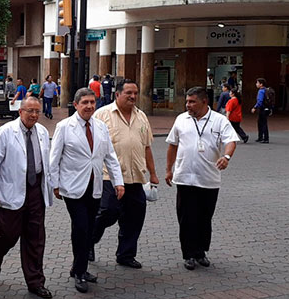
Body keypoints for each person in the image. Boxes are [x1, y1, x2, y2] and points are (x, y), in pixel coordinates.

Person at [49, 88, 124, 293]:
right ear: (76, 105)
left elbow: (110, 156)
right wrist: (54, 184)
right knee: (81, 228)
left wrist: (119, 182)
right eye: (85, 103)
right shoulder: (64, 127)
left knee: (89, 228)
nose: (90, 106)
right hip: (72, 187)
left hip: (95, 186)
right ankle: (80, 271)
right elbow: (54, 159)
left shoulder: (100, 127)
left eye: (92, 102)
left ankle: (77, 266)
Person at [0, 96, 53, 299]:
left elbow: (47, 164)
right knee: (7, 234)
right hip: (12, 190)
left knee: (35, 238)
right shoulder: (6, 131)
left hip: (35, 192)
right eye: (30, 111)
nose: (34, 115)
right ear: (20, 111)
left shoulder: (42, 132)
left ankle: (35, 282)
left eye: (37, 111)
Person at [165, 87, 238, 270]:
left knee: (204, 217)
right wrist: (168, 169)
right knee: (186, 217)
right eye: (187, 101)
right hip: (184, 177)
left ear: (204, 102)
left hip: (208, 179)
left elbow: (230, 141)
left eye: (192, 101)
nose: (187, 105)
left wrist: (226, 157)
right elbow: (172, 145)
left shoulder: (219, 120)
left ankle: (200, 252)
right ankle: (188, 254)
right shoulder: (181, 119)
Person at [91, 80, 159, 269]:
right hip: (109, 176)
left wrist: (153, 173)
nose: (133, 96)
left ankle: (126, 254)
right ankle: (89, 240)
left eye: (135, 93)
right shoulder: (102, 115)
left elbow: (147, 147)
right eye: (128, 92)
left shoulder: (142, 116)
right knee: (108, 211)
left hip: (136, 176)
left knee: (135, 215)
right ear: (117, 94)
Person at [251, 78, 270, 143]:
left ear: (261, 84)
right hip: (266, 108)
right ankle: (263, 137)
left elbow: (260, 101)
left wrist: (254, 107)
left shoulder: (261, 91)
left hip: (262, 109)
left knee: (262, 123)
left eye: (257, 83)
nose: (256, 84)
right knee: (263, 123)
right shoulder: (266, 90)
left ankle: (264, 138)